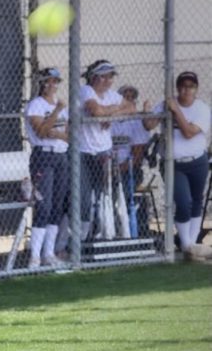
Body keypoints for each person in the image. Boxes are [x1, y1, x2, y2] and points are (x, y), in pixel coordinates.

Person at [143, 70, 211, 251]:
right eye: (183, 86)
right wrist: (148, 112)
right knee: (183, 202)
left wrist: (175, 110)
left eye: (191, 86)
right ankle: (187, 245)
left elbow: (188, 132)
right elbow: (149, 125)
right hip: (173, 163)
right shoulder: (167, 104)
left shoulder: (202, 109)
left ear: (196, 89)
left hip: (197, 161)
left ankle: (191, 242)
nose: (186, 90)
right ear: (177, 87)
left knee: (197, 200)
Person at [77, 60, 137, 240]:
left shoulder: (111, 95)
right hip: (83, 152)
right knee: (84, 198)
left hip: (104, 151)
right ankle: (80, 240)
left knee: (105, 196)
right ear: (96, 77)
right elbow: (96, 111)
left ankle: (103, 234)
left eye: (111, 76)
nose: (110, 80)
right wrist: (111, 111)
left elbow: (132, 108)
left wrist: (110, 113)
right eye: (106, 76)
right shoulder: (86, 90)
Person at [24, 67, 69, 269]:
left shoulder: (62, 106)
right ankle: (35, 255)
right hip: (43, 156)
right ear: (42, 83)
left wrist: (55, 132)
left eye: (56, 81)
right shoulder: (36, 105)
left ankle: (48, 252)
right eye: (49, 81)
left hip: (61, 155)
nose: (53, 85)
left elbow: (68, 134)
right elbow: (42, 132)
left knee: (57, 206)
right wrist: (57, 112)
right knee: (44, 205)